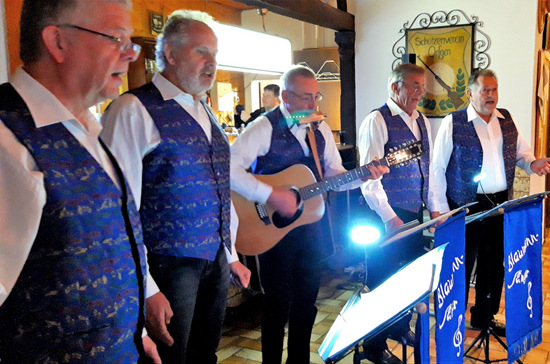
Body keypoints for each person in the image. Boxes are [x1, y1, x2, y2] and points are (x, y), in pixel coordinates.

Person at [0, 0, 163, 362]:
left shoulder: (86, 128)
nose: (131, 54)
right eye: (116, 38)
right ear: (57, 42)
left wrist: (131, 334)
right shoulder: (6, 141)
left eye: (130, 41)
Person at [100, 9, 251, 364]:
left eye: (215, 54)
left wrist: (229, 254)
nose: (212, 63)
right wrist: (147, 288)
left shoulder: (206, 112)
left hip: (213, 257)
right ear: (169, 53)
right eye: (202, 52)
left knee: (205, 355)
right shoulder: (132, 109)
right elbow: (120, 210)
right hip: (167, 263)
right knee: (170, 359)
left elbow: (219, 187)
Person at [230, 65, 388, 363]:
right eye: (306, 98)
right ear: (286, 97)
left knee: (306, 301)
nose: (314, 105)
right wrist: (271, 194)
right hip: (269, 229)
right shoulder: (263, 127)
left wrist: (365, 175)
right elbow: (228, 168)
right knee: (276, 305)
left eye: (316, 97)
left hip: (310, 228)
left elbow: (334, 174)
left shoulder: (319, 128)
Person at [431, 69, 550, 336]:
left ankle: (484, 318)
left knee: (494, 264)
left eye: (494, 89)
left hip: (499, 203)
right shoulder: (454, 122)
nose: (491, 95)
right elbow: (437, 168)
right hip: (464, 204)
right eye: (485, 90)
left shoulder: (506, 119)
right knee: (459, 264)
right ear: (470, 93)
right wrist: (438, 209)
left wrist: (533, 163)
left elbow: (522, 153)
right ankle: (451, 322)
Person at [357, 63, 437, 364]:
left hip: (414, 213)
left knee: (407, 279)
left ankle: (400, 328)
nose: (420, 92)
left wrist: (431, 208)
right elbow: (370, 176)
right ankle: (374, 348)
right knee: (382, 282)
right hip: (385, 217)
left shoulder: (422, 121)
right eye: (414, 85)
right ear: (395, 87)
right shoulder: (377, 120)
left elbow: (424, 169)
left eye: (422, 86)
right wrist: (389, 217)